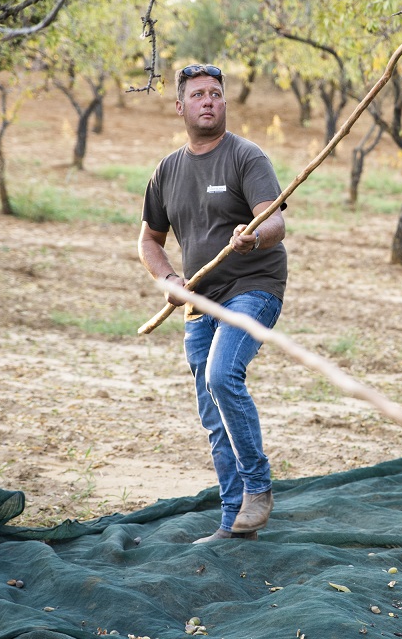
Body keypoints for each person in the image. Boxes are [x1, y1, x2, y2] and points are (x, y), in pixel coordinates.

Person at [137, 63, 287, 543]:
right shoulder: (168, 170)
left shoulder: (246, 157)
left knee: (223, 375)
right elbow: (150, 240)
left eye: (216, 94)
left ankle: (258, 488)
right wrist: (168, 280)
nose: (209, 101)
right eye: (199, 95)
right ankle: (232, 523)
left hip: (253, 286)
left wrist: (253, 235)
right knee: (210, 406)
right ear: (180, 107)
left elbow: (276, 224)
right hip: (200, 299)